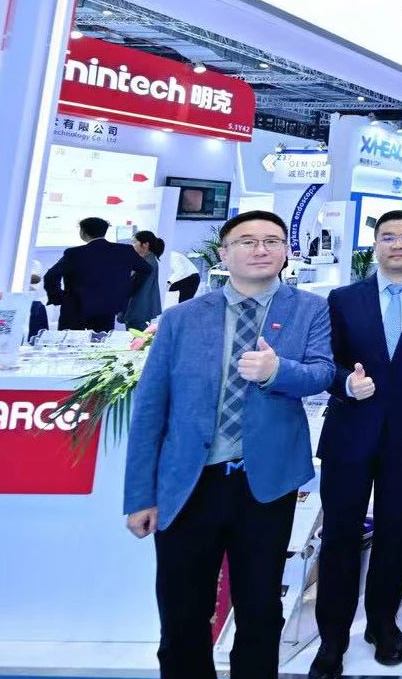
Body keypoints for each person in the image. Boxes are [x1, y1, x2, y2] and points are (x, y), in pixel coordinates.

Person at [122, 210, 336, 679]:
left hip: (265, 484)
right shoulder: (181, 318)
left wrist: (278, 371)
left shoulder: (310, 309)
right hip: (188, 483)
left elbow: (323, 373)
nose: (260, 249)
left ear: (286, 251)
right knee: (182, 610)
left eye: (272, 241)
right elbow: (151, 410)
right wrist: (140, 495)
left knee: (260, 608)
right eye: (247, 241)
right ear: (224, 253)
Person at [310, 211, 402, 678]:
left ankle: (383, 621)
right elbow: (325, 361)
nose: (397, 244)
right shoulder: (344, 298)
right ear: (375, 243)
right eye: (388, 236)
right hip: (349, 432)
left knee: (395, 528)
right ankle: (332, 637)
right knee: (340, 534)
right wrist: (346, 383)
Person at [45, 216, 147, 330]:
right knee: (101, 339)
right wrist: (127, 290)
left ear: (83, 233)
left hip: (75, 309)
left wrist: (59, 297)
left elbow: (51, 276)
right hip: (107, 308)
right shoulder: (124, 251)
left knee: (71, 340)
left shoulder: (74, 253)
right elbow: (146, 269)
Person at [121, 231, 164, 328]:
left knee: (137, 335)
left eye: (134, 242)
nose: (132, 245)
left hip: (138, 308)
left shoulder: (146, 264)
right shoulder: (149, 260)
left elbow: (132, 285)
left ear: (145, 244)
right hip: (141, 308)